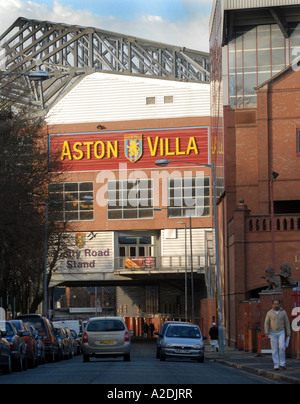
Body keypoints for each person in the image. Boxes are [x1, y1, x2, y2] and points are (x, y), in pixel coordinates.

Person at [264, 298, 291, 370]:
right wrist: (266, 331)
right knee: (274, 350)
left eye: (277, 304)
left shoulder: (283, 312)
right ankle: (276, 365)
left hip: (281, 332)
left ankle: (282, 364)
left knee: (282, 347)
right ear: (272, 304)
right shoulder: (269, 313)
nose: (276, 305)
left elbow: (287, 322)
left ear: (279, 304)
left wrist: (288, 332)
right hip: (272, 333)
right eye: (275, 304)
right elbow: (266, 323)